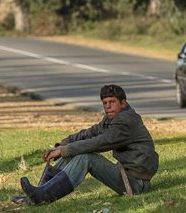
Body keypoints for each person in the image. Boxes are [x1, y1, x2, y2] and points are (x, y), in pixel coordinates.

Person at [14, 84, 159, 205]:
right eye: (105, 103)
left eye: (112, 102)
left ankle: (41, 196)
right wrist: (63, 144)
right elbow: (90, 133)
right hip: (127, 176)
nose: (108, 106)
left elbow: (100, 142)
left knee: (86, 157)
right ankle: (38, 194)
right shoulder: (112, 118)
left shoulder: (125, 121)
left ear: (123, 103)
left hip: (136, 184)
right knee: (73, 152)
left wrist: (64, 150)